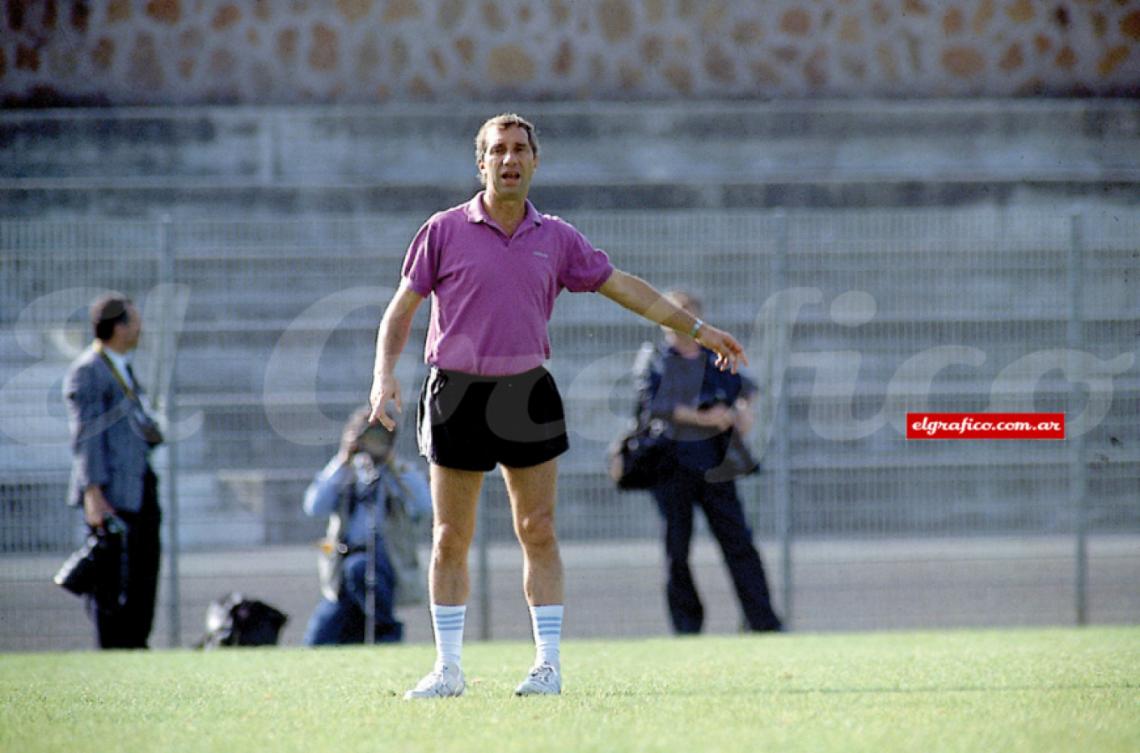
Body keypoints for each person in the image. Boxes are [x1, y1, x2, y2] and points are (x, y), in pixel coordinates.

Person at [368, 113, 749, 699]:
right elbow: (401, 307)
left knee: (537, 528)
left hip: (527, 393)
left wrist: (696, 328)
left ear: (535, 161)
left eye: (520, 149)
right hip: (456, 393)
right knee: (450, 536)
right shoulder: (443, 230)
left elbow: (621, 285)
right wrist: (382, 376)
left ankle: (547, 666)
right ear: (482, 162)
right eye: (498, 150)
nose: (509, 159)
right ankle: (448, 668)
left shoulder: (558, 237)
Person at [635, 290, 783, 635]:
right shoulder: (655, 359)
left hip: (717, 467)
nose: (679, 320)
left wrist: (744, 411)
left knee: (739, 544)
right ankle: (687, 627)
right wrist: (707, 418)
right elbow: (655, 406)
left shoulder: (712, 356)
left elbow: (745, 388)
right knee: (677, 551)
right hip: (671, 468)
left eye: (686, 313)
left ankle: (762, 622)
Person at [63, 293, 163, 649]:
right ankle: (114, 647)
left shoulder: (124, 366)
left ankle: (136, 643)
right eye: (134, 320)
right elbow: (86, 437)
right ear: (117, 327)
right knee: (111, 578)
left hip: (139, 485)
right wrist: (93, 492)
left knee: (142, 570)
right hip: (112, 492)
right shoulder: (88, 371)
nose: (140, 327)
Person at [301, 407, 431, 646]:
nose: (373, 445)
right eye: (368, 438)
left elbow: (424, 507)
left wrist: (392, 464)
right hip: (344, 562)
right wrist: (343, 458)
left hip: (385, 560)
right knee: (318, 640)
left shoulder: (398, 473)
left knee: (360, 569)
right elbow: (314, 506)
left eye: (380, 439)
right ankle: (384, 632)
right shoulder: (345, 471)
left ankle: (387, 631)